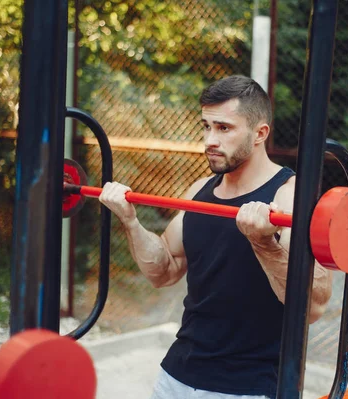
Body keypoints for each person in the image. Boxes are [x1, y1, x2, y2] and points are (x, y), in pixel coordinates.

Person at [99, 75, 333, 399]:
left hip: (246, 386)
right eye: (206, 126)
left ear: (259, 134)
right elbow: (163, 271)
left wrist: (264, 243)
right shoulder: (199, 190)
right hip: (176, 375)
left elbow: (314, 306)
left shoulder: (289, 198)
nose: (210, 139)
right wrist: (130, 222)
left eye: (224, 128)